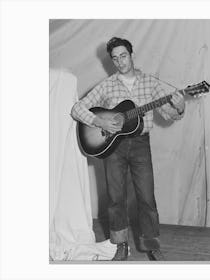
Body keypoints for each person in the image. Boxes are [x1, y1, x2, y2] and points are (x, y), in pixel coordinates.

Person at [71, 37, 185, 261]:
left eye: (123, 56)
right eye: (115, 58)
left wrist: (179, 108)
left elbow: (167, 115)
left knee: (146, 197)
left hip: (141, 145)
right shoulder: (107, 84)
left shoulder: (151, 82)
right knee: (115, 198)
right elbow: (77, 108)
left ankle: (152, 245)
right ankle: (120, 245)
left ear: (132, 55)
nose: (120, 62)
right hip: (114, 147)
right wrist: (100, 122)